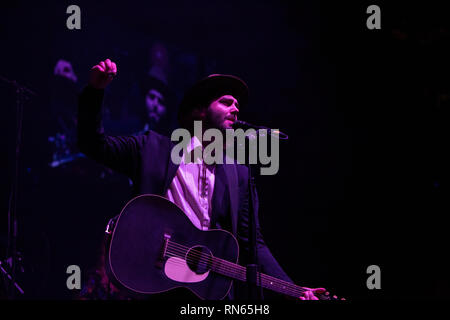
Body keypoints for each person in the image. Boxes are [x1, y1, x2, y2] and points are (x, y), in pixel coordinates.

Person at [77, 58, 326, 300]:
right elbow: (93, 145)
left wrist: (296, 290)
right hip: (152, 281)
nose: (236, 109)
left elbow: (254, 245)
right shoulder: (152, 147)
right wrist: (95, 92)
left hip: (206, 293)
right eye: (226, 102)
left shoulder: (238, 173)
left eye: (237, 105)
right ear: (200, 110)